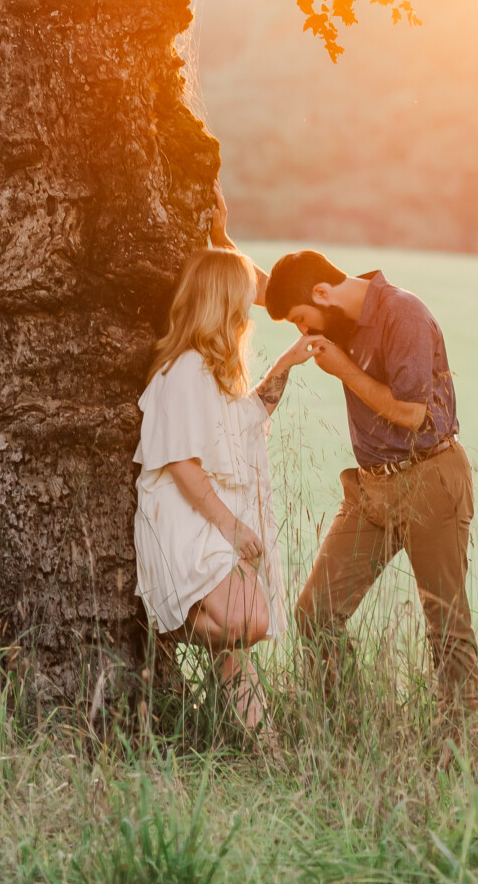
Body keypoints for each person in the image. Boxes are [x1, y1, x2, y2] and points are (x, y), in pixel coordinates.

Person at [264, 249, 478, 725]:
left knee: (445, 624)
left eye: (302, 320)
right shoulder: (332, 313)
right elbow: (270, 291)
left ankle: (464, 746)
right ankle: (347, 730)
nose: (304, 334)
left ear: (322, 293)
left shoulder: (403, 313)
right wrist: (221, 236)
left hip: (430, 477)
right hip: (369, 491)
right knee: (314, 614)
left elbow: (411, 413)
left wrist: (342, 369)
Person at [134, 246, 314, 729]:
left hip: (209, 515)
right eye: (243, 297)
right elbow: (181, 464)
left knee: (235, 644)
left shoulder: (212, 370)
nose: (249, 308)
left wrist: (287, 363)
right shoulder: (185, 370)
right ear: (224, 301)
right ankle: (167, 614)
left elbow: (249, 419)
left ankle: (267, 753)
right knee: (249, 621)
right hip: (187, 517)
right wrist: (232, 527)